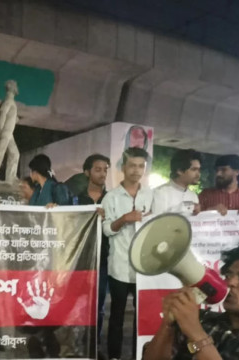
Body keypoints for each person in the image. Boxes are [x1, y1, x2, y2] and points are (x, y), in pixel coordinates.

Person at [142, 244, 239, 360]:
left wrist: (197, 334)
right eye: (228, 276)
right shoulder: (202, 319)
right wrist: (168, 324)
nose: (230, 282)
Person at [101, 147, 153, 360]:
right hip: (120, 267)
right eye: (132, 165)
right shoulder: (111, 197)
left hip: (145, 268)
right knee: (117, 317)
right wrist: (124, 219)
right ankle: (114, 356)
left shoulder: (151, 195)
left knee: (142, 318)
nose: (136, 170)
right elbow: (105, 230)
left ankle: (139, 355)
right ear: (123, 167)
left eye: (141, 166)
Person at [76, 154, 110, 342]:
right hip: (80, 260)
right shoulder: (76, 200)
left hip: (104, 260)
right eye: (98, 169)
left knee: (98, 306)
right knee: (78, 303)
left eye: (105, 169)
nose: (103, 173)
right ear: (87, 172)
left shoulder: (112, 200)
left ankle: (93, 344)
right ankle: (77, 342)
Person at [152, 149, 202, 215]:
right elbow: (157, 220)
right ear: (180, 171)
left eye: (199, 170)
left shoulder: (193, 195)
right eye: (194, 169)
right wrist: (187, 207)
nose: (198, 174)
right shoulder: (160, 192)